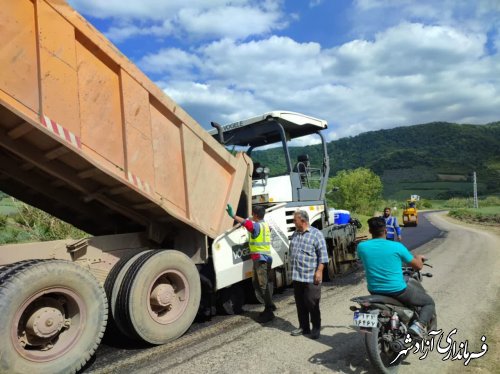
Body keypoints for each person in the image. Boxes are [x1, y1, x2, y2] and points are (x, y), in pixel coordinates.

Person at [357, 217, 436, 339]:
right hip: (397, 290)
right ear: (386, 230)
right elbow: (418, 266)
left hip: (373, 290)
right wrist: (418, 257)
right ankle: (419, 326)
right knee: (429, 302)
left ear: (370, 230)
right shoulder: (397, 246)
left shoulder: (362, 247)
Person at [226, 204, 276, 323]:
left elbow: (246, 223)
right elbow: (249, 221)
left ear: (255, 215)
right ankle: (270, 305)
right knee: (257, 283)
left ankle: (269, 310)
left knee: (261, 285)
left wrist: (233, 215)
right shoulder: (265, 224)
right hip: (263, 258)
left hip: (261, 259)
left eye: (253, 214)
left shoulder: (256, 226)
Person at [289, 210, 328, 339]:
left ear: (303, 221)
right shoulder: (295, 234)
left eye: (295, 220)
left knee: (312, 303)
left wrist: (319, 271)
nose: (293, 222)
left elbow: (323, 256)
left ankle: (316, 328)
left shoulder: (316, 234)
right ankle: (303, 327)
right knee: (300, 304)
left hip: (311, 276)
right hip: (297, 276)